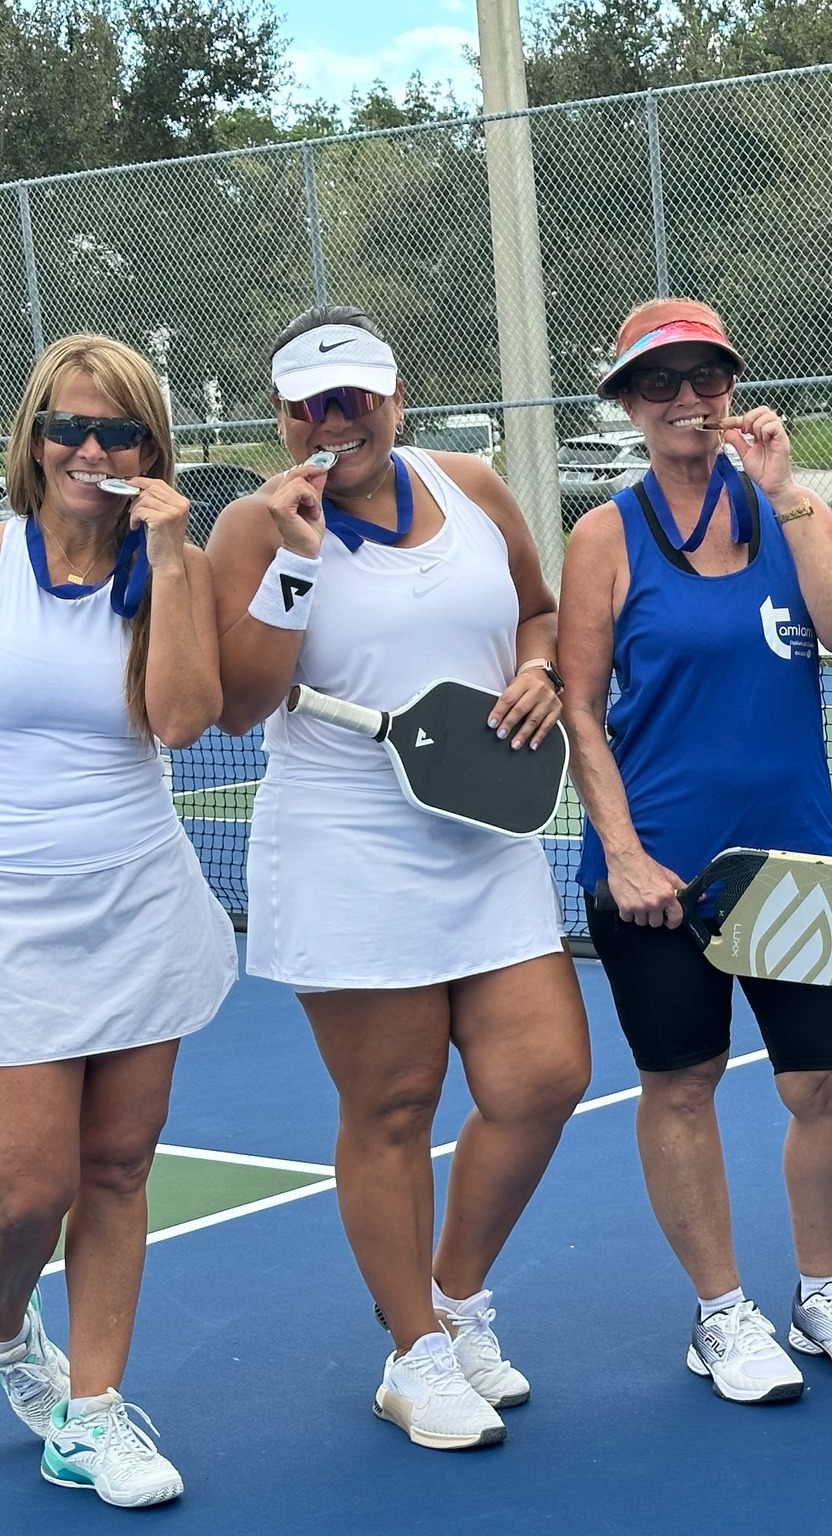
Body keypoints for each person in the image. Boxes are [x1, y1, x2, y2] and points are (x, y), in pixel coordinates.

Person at [206, 306, 590, 1450]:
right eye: (312, 405)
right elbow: (236, 704)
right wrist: (295, 560)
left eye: (357, 398)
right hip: (346, 845)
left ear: (396, 399)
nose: (337, 421)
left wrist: (538, 671)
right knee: (393, 1103)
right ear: (283, 416)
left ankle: (450, 1298)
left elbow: (537, 610)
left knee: (545, 1076)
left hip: (484, 834)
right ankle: (413, 1355)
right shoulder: (253, 526)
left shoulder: (471, 485)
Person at [561, 298, 832, 1403]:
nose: (687, 399)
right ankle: (721, 1315)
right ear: (629, 402)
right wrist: (622, 854)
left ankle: (824, 1293)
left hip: (793, 869)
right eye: (659, 382)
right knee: (683, 1084)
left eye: (705, 377)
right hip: (659, 878)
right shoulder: (605, 537)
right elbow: (578, 711)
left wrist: (790, 490)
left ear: (732, 388)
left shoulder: (789, 511)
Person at [0, 335, 235, 1505]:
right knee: (25, 1190)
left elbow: (185, 721)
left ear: (151, 447)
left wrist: (174, 557)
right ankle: (9, 1336)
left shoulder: (168, 569)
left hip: (140, 901)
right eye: (69, 428)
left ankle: (91, 1414)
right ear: (34, 439)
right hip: (12, 910)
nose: (89, 451)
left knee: (118, 1165)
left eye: (117, 431)